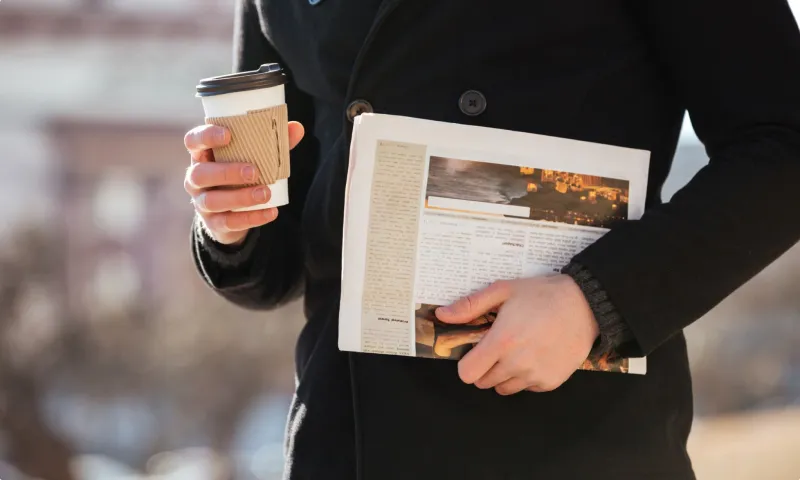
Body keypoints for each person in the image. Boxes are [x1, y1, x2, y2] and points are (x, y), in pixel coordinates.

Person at [182, 1, 800, 478]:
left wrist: (596, 301)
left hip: (573, 437)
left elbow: (783, 147)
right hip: (344, 437)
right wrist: (230, 225)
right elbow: (282, 251)